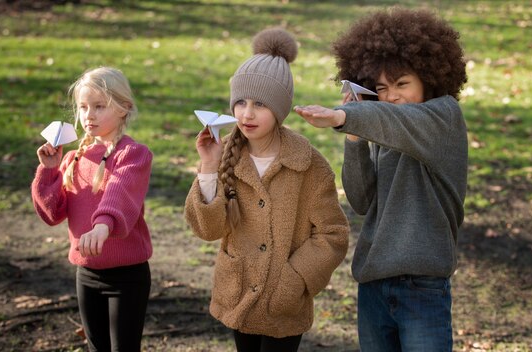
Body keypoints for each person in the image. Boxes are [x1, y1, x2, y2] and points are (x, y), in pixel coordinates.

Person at [294, 7, 468, 352]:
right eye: (381, 88)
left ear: (429, 78)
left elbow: (392, 120)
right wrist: (355, 140)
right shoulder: (383, 135)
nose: (392, 96)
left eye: (402, 83)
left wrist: (346, 116)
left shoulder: (444, 116)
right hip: (373, 286)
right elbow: (360, 200)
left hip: (422, 288)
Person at [184, 28, 349, 352]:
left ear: (280, 108)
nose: (247, 114)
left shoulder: (308, 164)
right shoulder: (225, 155)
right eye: (241, 102)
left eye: (260, 103)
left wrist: (295, 278)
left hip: (284, 302)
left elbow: (333, 234)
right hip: (238, 292)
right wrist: (208, 167)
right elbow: (207, 229)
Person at [31, 67, 153, 352]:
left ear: (124, 108)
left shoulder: (133, 154)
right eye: (84, 107)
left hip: (128, 276)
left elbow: (119, 191)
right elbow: (52, 213)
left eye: (100, 106)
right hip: (86, 273)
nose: (89, 115)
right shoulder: (74, 157)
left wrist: (102, 225)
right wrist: (48, 172)